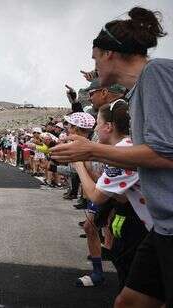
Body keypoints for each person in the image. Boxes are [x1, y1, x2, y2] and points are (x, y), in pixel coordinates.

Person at [51, 7, 172, 307]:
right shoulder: (137, 89)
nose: (93, 69)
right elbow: (144, 157)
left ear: (109, 54)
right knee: (128, 303)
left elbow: (165, 153)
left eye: (95, 59)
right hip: (161, 226)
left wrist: (89, 150)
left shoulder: (155, 74)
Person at [73, 101, 152, 290]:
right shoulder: (126, 146)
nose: (95, 128)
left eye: (98, 123)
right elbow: (119, 194)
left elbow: (96, 196)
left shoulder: (122, 152)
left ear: (108, 126)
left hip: (148, 228)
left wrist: (78, 163)